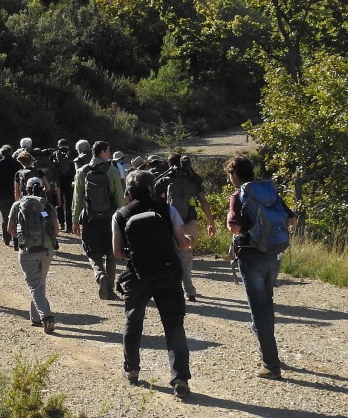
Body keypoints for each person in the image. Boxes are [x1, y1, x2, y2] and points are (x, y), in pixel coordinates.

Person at [113, 169, 194, 398]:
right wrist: (190, 241)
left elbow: (118, 252)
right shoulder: (168, 210)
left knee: (133, 320)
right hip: (167, 275)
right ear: (152, 188)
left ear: (129, 190)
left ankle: (132, 369)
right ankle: (180, 379)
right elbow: (182, 244)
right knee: (174, 326)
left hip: (138, 276)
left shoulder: (121, 215)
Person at [225, 155, 298, 380]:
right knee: (267, 304)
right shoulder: (269, 192)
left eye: (229, 175)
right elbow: (292, 219)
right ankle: (269, 353)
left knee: (258, 310)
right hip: (273, 254)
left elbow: (235, 226)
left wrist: (243, 227)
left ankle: (271, 364)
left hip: (251, 256)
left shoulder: (239, 196)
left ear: (235, 174)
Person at [154, 154, 216, 302]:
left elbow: (155, 203)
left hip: (169, 222)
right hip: (189, 221)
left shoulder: (163, 181)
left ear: (169, 165)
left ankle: (172, 288)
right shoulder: (192, 180)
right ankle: (189, 290)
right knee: (186, 255)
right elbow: (203, 202)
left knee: (169, 255)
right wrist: (211, 223)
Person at [8, 177, 61, 334]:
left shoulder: (18, 205)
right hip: (46, 250)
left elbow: (10, 229)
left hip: (26, 251)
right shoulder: (45, 205)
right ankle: (35, 317)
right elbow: (56, 230)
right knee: (40, 283)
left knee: (34, 285)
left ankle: (46, 317)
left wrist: (24, 238)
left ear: (27, 189)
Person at [71, 141, 123, 299]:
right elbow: (119, 196)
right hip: (110, 218)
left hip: (90, 218)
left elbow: (77, 198)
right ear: (101, 153)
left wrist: (74, 220)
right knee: (111, 253)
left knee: (92, 252)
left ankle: (100, 274)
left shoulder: (82, 171)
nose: (109, 154)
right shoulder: (112, 170)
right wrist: (122, 218)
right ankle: (110, 288)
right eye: (108, 151)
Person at [0, 144, 22, 246]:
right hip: (16, 194)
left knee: (5, 217)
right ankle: (16, 240)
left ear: (1, 153)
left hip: (3, 194)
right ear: (11, 152)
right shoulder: (17, 164)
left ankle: (6, 239)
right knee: (16, 216)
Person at [52, 139, 77, 232]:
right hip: (70, 181)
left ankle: (61, 224)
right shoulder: (73, 153)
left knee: (59, 203)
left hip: (58, 182)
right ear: (68, 145)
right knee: (69, 204)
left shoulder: (54, 154)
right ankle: (69, 226)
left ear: (58, 145)